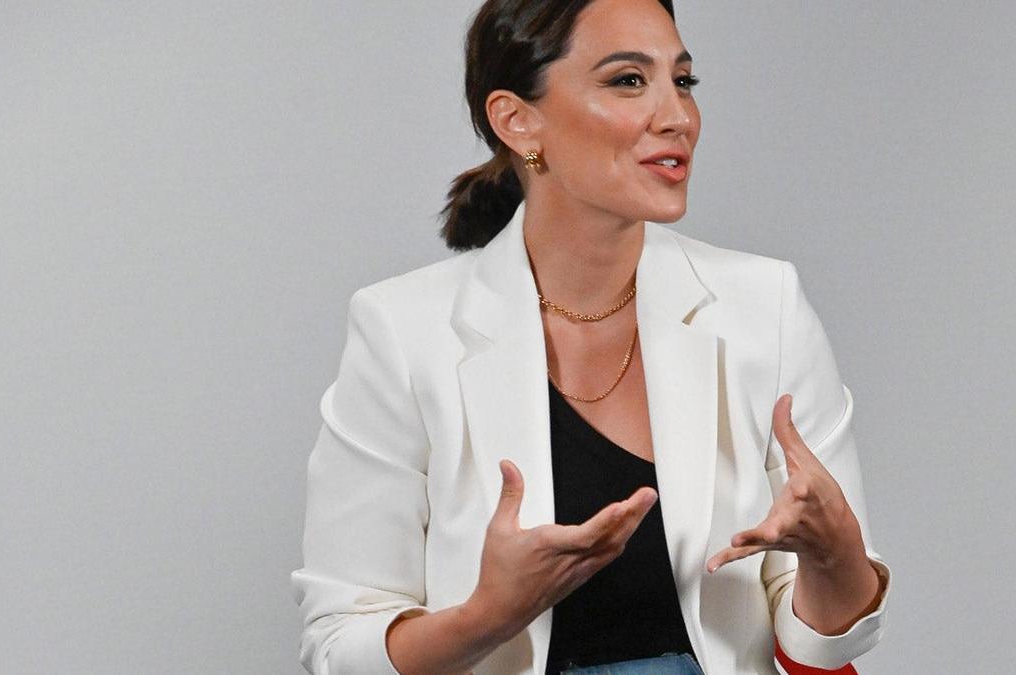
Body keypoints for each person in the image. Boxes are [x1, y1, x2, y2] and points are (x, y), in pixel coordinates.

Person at [290, 0, 891, 673]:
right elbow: (339, 647)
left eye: (683, 81)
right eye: (628, 81)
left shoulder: (765, 305)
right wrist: (489, 614)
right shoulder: (401, 331)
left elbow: (826, 642)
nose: (678, 117)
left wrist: (834, 550)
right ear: (517, 122)